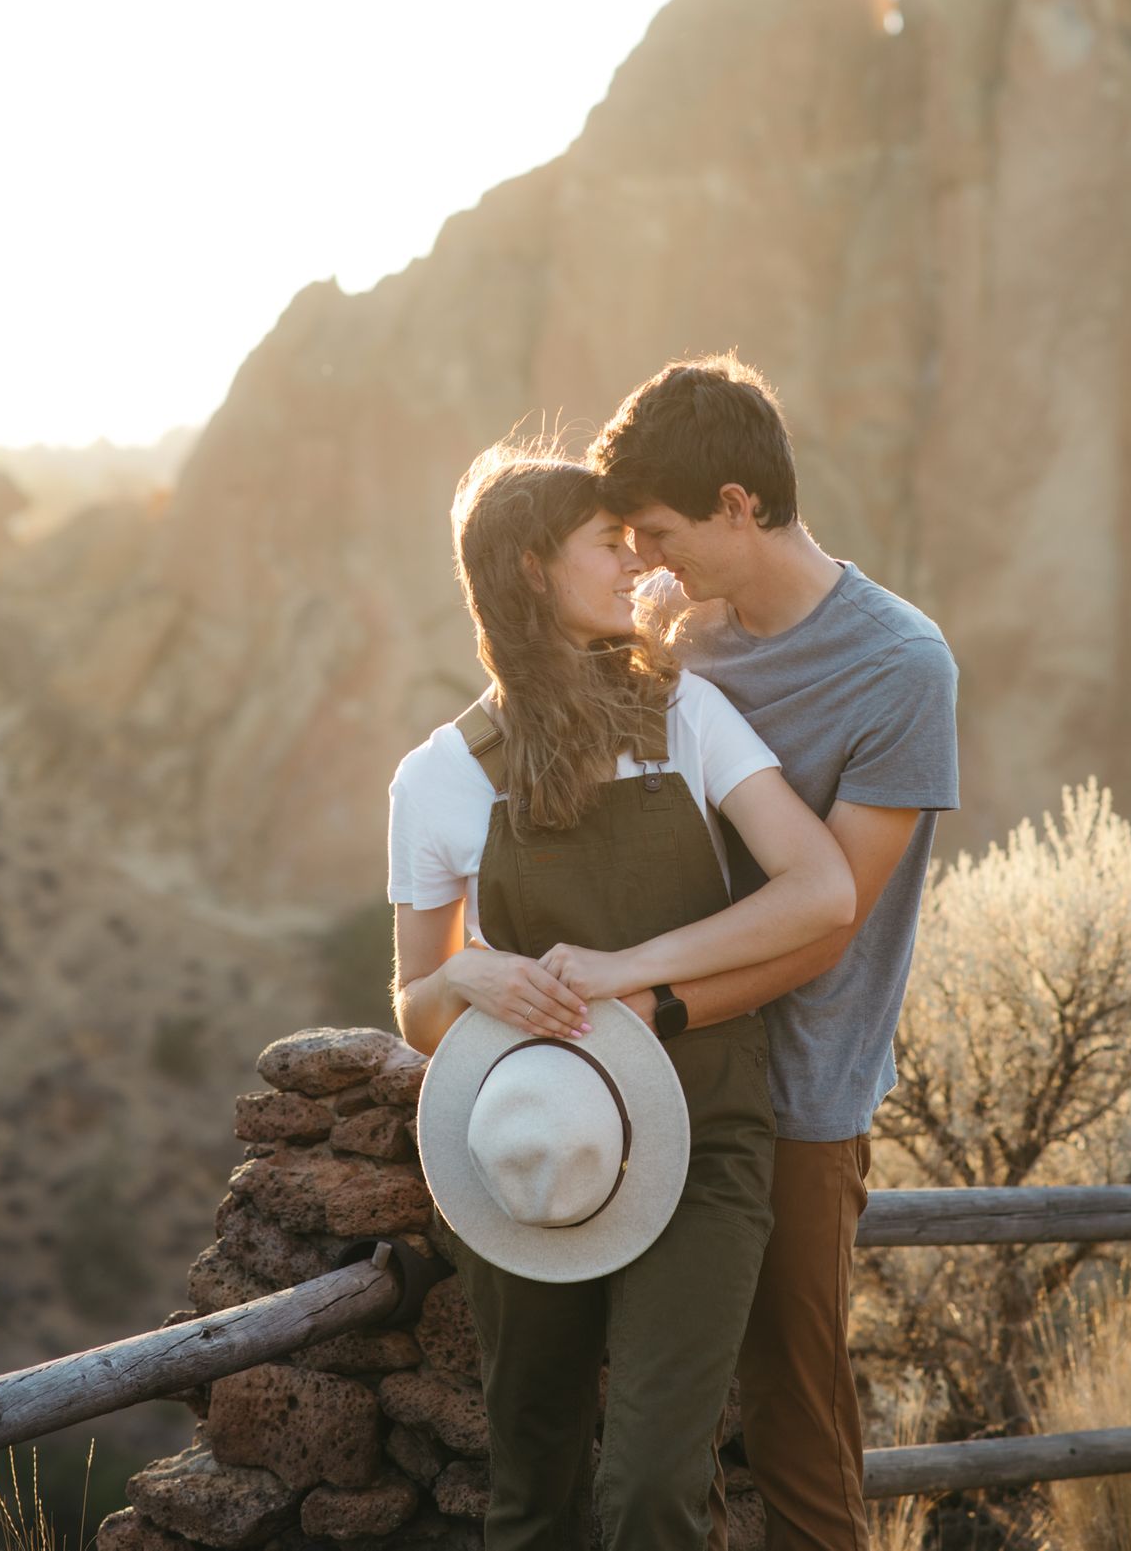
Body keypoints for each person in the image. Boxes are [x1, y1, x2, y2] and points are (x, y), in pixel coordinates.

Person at [388, 440, 855, 1551]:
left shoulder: (684, 714)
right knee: (531, 1489)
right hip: (534, 1161)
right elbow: (412, 1004)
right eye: (610, 544)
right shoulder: (434, 778)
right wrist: (459, 974)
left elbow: (820, 888)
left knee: (649, 1490)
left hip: (703, 1141)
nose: (637, 565)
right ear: (530, 571)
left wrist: (623, 971)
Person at [588, 355, 960, 1551]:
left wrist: (650, 997)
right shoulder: (672, 636)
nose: (648, 561)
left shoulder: (900, 664)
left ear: (738, 504)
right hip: (654, 1069)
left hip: (800, 1092)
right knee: (652, 1414)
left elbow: (827, 917)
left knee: (795, 1416)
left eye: (660, 532)